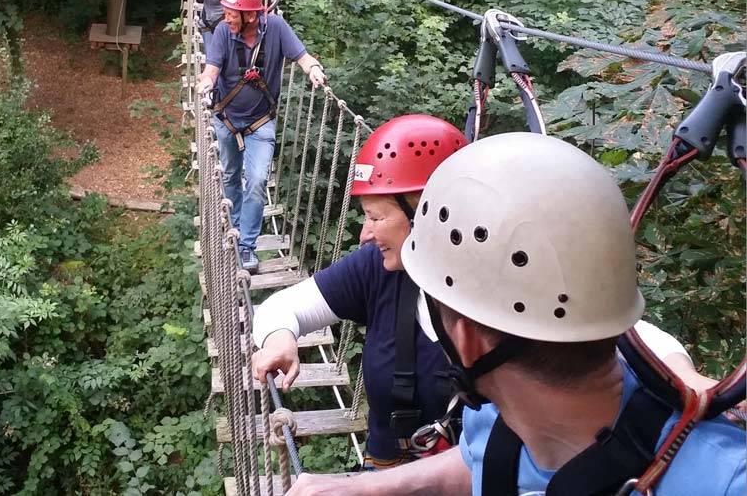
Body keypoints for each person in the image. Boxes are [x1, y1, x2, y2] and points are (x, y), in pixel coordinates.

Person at [251, 117, 727, 474]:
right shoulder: (380, 269)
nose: (364, 234)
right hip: (398, 471)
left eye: (376, 218)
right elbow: (282, 306)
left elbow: (609, 325)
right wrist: (279, 336)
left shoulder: (505, 284)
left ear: (427, 216)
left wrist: (680, 376)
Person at [197, 0, 326, 273]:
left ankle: (246, 246)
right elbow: (212, 68)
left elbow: (302, 57)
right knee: (230, 175)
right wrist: (206, 82)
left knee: (256, 181)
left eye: (232, 13)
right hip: (227, 117)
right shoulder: (222, 30)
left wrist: (313, 69)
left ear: (251, 16)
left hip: (261, 120)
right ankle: (231, 230)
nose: (226, 16)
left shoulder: (276, 28)